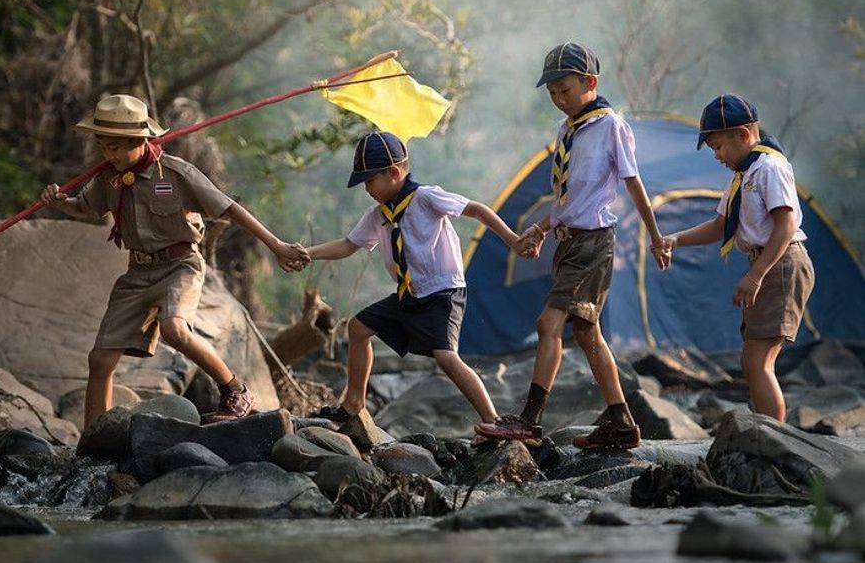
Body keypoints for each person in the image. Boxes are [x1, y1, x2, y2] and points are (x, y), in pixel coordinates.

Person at [41, 94, 308, 428]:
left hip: (179, 266)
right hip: (138, 272)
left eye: (116, 147)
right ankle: (95, 437)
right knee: (100, 359)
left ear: (140, 140)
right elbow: (85, 207)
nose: (109, 154)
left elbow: (229, 209)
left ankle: (235, 389)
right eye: (103, 146)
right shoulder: (108, 178)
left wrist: (276, 245)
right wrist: (59, 201)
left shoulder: (178, 174)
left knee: (174, 329)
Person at [476, 42, 669, 449]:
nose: (558, 99)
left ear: (590, 82)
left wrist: (655, 237)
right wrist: (543, 228)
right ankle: (622, 423)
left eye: (564, 89)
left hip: (593, 242)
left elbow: (634, 185)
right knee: (587, 334)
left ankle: (529, 420)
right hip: (569, 241)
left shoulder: (610, 125)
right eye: (552, 93)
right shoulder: (568, 130)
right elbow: (570, 200)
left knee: (549, 323)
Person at [304, 131, 536, 429]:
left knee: (446, 357)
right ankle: (353, 404)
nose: (366, 188)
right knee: (358, 328)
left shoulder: (425, 197)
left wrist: (514, 240)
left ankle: (494, 420)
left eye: (370, 180)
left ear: (394, 172)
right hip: (409, 294)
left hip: (442, 292)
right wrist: (308, 254)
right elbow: (348, 245)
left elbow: (476, 209)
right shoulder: (378, 215)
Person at [660, 93, 814, 420]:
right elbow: (720, 225)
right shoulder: (745, 174)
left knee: (759, 361)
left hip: (781, 263)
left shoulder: (770, 167)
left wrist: (755, 275)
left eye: (718, 146)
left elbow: (785, 227)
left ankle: (775, 439)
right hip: (768, 261)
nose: (716, 155)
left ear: (743, 135)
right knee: (751, 360)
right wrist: (676, 239)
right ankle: (763, 430)